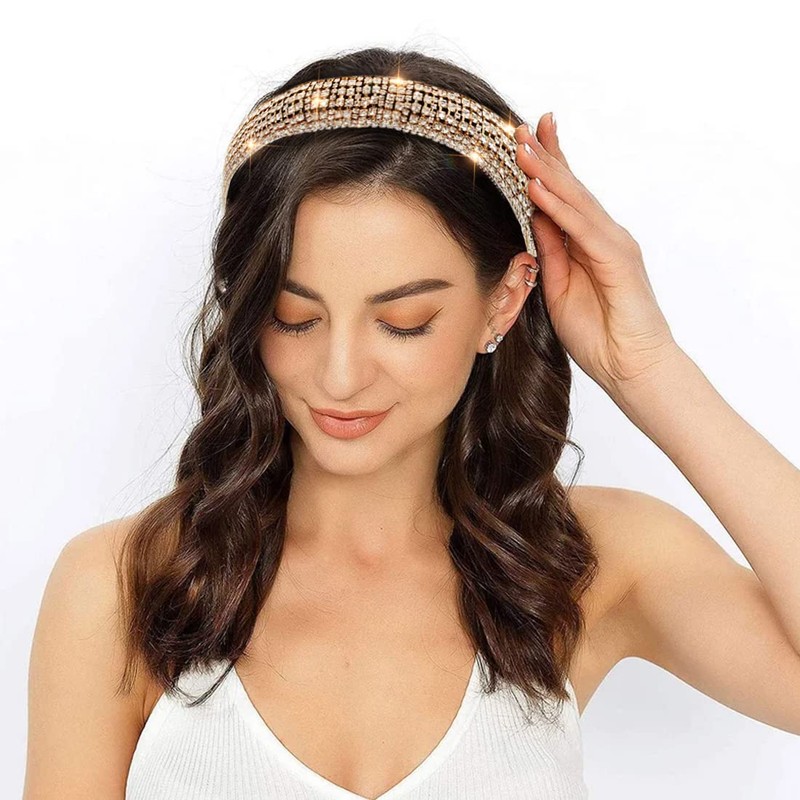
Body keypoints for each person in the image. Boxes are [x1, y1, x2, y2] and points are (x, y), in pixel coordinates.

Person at [24, 47, 800, 800]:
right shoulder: (124, 585)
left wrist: (647, 368)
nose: (339, 376)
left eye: (403, 322)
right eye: (294, 315)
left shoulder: (587, 564)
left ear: (504, 299)